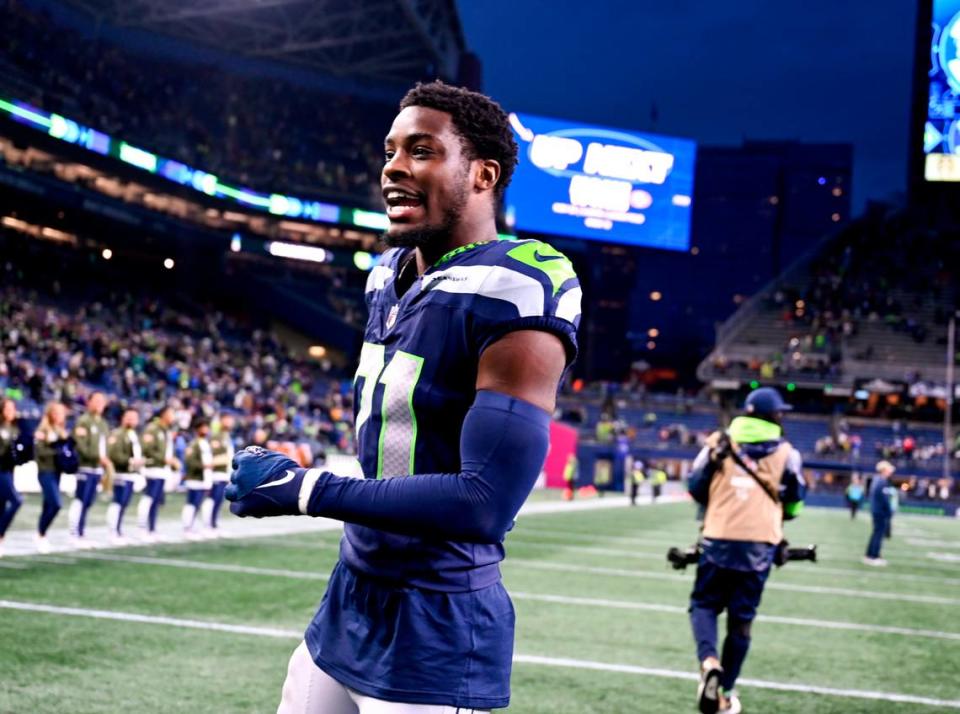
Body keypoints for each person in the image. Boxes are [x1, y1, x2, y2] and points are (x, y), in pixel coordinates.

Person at [226, 80, 580, 713]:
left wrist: (305, 489)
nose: (393, 167)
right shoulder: (386, 273)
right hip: (347, 600)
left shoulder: (522, 280)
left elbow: (483, 501)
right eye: (389, 150)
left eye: (421, 150)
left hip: (436, 623)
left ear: (482, 174)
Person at [687, 387, 806, 714]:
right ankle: (724, 691)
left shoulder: (717, 443)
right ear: (774, 416)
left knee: (704, 604)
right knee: (741, 623)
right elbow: (795, 503)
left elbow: (695, 487)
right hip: (759, 544)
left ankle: (709, 661)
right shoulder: (788, 453)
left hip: (717, 537)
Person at [68, 391, 110, 547]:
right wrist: (98, 457)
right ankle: (74, 534)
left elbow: (105, 446)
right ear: (89, 402)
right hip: (84, 466)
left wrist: (104, 460)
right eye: (96, 400)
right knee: (81, 500)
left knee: (89, 502)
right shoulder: (83, 421)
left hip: (97, 468)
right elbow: (81, 446)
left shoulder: (103, 423)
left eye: (102, 401)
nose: (100, 404)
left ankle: (81, 532)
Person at [137, 406, 179, 542]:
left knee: (156, 501)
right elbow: (146, 449)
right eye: (171, 413)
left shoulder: (165, 430)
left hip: (162, 469)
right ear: (164, 414)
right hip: (152, 468)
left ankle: (152, 529)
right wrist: (164, 459)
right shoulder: (153, 429)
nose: (173, 416)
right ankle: (142, 529)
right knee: (149, 498)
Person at [33, 401, 70, 553]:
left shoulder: (61, 430)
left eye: (61, 413)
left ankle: (42, 534)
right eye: (56, 413)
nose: (59, 416)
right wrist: (57, 450)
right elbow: (39, 452)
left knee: (48, 505)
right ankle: (40, 534)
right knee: (56, 504)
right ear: (50, 413)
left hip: (57, 471)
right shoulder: (42, 429)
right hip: (45, 471)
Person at [106, 408, 144, 545]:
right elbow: (114, 454)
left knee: (124, 504)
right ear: (123, 418)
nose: (132, 420)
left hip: (130, 474)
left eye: (134, 418)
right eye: (129, 417)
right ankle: (113, 531)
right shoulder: (117, 434)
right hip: (120, 473)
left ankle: (118, 530)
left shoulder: (133, 434)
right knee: (118, 502)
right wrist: (130, 461)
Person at [202, 413, 235, 535]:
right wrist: (225, 459)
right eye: (228, 419)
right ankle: (208, 525)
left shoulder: (227, 436)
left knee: (219, 500)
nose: (231, 422)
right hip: (216, 473)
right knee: (213, 499)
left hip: (224, 473)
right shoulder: (216, 436)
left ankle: (214, 524)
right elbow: (212, 456)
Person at [182, 415, 213, 539]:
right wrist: (203, 466)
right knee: (191, 503)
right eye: (203, 427)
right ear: (197, 429)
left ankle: (192, 527)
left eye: (207, 427)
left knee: (197, 504)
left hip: (202, 478)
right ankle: (187, 528)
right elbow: (189, 461)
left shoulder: (205, 443)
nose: (206, 429)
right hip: (194, 478)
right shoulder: (194, 444)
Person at [0, 398, 24, 556]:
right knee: (17, 500)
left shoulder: (15, 429)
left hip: (9, 470)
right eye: (7, 409)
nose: (11, 412)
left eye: (12, 409)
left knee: (1, 506)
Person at [864, 460, 897, 566]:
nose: (890, 472)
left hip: (876, 510)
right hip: (880, 512)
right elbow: (884, 500)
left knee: (876, 533)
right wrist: (889, 511)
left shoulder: (877, 480)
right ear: (884, 470)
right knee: (879, 534)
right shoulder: (882, 481)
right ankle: (874, 556)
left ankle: (869, 555)